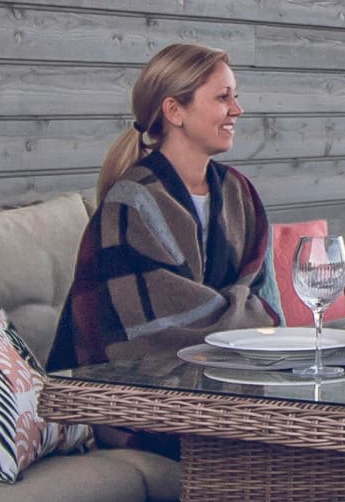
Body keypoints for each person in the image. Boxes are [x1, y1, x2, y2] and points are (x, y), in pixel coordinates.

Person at [53, 41, 279, 370]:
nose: (237, 110)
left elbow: (265, 300)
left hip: (240, 374)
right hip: (137, 389)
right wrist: (245, 321)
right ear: (174, 111)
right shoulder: (131, 205)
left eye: (236, 97)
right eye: (222, 97)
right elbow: (156, 331)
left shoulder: (239, 192)